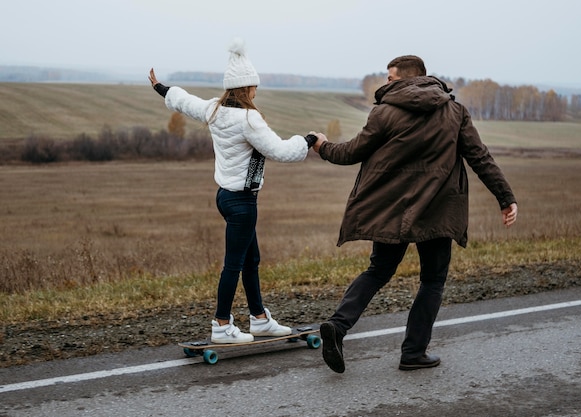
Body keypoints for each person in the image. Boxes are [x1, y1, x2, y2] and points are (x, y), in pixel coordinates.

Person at [310, 55, 518, 373]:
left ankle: (337, 328)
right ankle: (413, 353)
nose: (386, 82)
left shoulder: (384, 112)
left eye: (390, 77)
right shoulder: (455, 111)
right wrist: (505, 197)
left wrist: (323, 146)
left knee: (378, 271)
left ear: (408, 78)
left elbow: (352, 152)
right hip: (437, 211)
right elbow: (480, 156)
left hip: (395, 209)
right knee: (432, 281)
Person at [149, 38, 319, 343]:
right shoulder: (248, 119)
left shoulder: (214, 109)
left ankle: (259, 319)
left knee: (250, 260)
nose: (256, 92)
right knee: (234, 264)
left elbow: (186, 102)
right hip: (242, 203)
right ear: (247, 89)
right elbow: (281, 151)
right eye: (254, 86)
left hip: (225, 198)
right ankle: (221, 325)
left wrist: (162, 88)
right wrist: (307, 139)